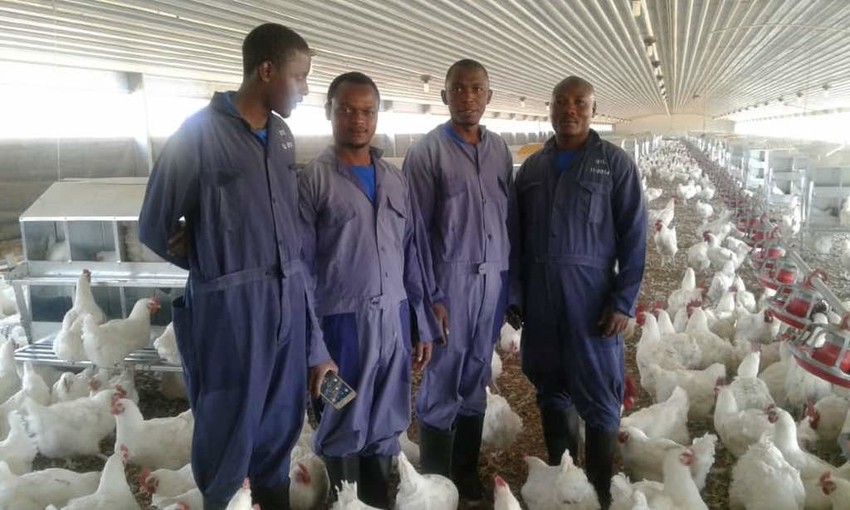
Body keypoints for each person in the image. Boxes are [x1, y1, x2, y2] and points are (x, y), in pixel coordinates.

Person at [138, 23, 336, 510]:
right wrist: (203, 257)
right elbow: (152, 225)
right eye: (300, 76)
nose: (306, 89)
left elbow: (286, 232)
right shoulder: (198, 135)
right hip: (230, 313)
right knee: (228, 431)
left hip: (286, 305)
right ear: (266, 70)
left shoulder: (283, 137)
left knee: (279, 429)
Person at [298, 71, 438, 509]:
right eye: (346, 109)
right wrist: (315, 350)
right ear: (329, 112)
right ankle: (346, 500)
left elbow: (412, 253)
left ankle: (377, 500)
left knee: (387, 420)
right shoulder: (313, 181)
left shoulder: (395, 180)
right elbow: (298, 269)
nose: (357, 120)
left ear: (377, 115)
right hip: (341, 327)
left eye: (367, 111)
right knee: (342, 417)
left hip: (394, 322)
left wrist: (423, 323)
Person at [507, 76, 647, 508]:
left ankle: (601, 490)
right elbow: (516, 238)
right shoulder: (532, 168)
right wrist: (515, 294)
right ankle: (563, 485)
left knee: (601, 397)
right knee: (551, 388)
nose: (569, 110)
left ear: (591, 109)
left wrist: (623, 301)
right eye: (561, 102)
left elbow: (635, 236)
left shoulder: (614, 164)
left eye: (579, 103)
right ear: (549, 108)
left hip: (593, 302)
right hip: (542, 302)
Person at [403, 59, 513, 504]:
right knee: (441, 379)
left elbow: (509, 218)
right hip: (449, 284)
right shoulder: (427, 152)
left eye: (476, 89)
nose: (468, 97)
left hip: (492, 283)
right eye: (458, 89)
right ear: (445, 96)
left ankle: (464, 475)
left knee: (475, 376)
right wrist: (431, 296)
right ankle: (434, 481)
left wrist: (510, 286)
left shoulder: (500, 150)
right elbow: (415, 232)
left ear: (488, 96)